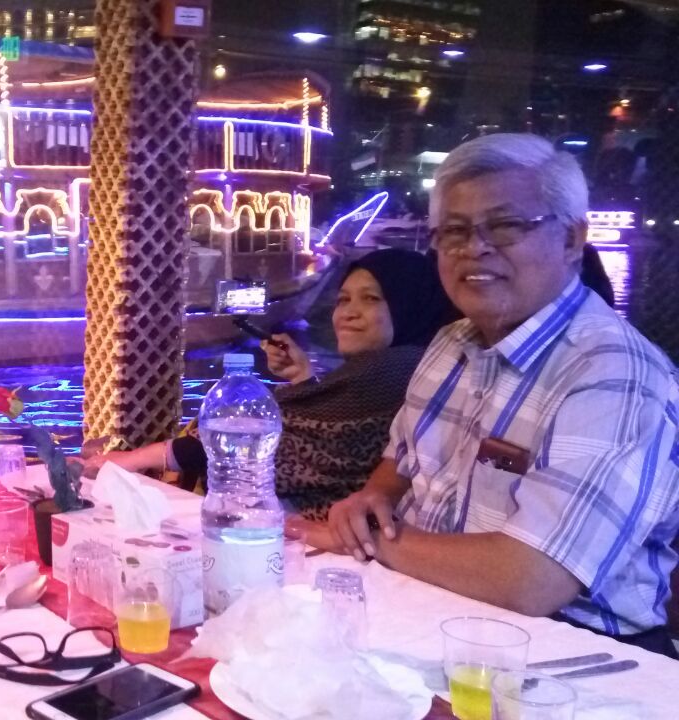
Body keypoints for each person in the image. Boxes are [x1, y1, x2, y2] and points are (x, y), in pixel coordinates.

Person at [318, 133, 679, 656]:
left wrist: (369, 538)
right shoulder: (452, 343)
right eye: (454, 231)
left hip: (578, 656)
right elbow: (400, 462)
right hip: (435, 613)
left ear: (572, 239)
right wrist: (372, 501)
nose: (475, 248)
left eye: (506, 225)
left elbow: (530, 579)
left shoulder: (614, 374)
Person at [84, 248, 453, 521]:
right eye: (343, 300)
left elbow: (247, 448)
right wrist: (303, 378)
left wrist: (127, 460)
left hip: (323, 544)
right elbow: (328, 437)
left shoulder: (395, 369)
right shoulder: (411, 365)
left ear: (409, 304)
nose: (348, 313)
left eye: (371, 298)